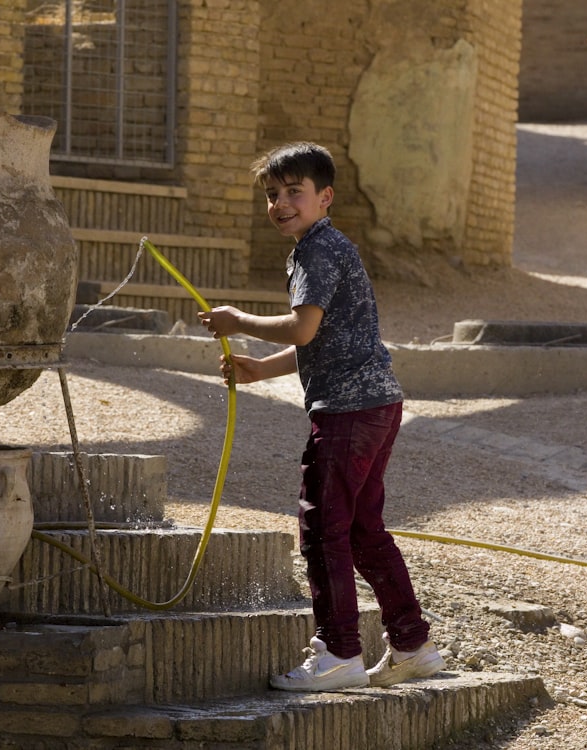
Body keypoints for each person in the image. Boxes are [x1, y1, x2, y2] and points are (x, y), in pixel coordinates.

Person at [198, 142, 444, 692]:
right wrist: (261, 370)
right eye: (272, 194)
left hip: (349, 412)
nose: (281, 203)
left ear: (324, 197)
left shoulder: (315, 251)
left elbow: (302, 328)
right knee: (362, 530)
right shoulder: (329, 246)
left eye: (294, 192)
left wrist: (237, 320)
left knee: (323, 529)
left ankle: (338, 653)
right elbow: (324, 336)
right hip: (379, 401)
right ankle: (412, 644)